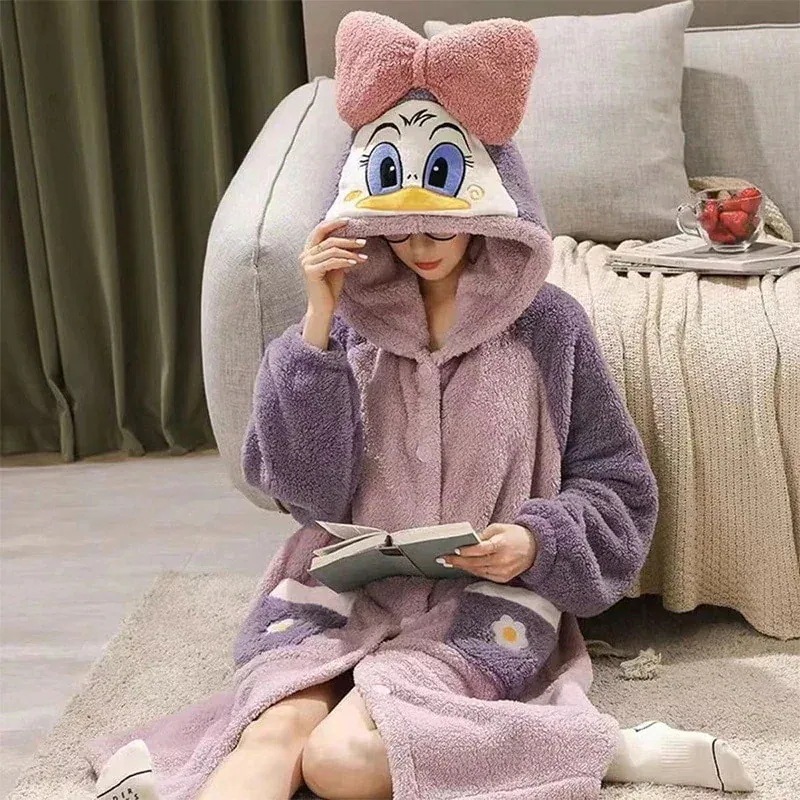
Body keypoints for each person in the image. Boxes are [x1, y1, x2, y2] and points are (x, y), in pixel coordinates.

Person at [88, 11, 755, 800]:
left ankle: (598, 748)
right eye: (400, 229)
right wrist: (317, 321)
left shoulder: (547, 328)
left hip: (486, 597)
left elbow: (618, 487)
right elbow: (304, 493)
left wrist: (533, 541)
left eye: (441, 223)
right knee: (273, 730)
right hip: (342, 585)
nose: (420, 244)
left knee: (344, 762)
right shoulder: (343, 329)